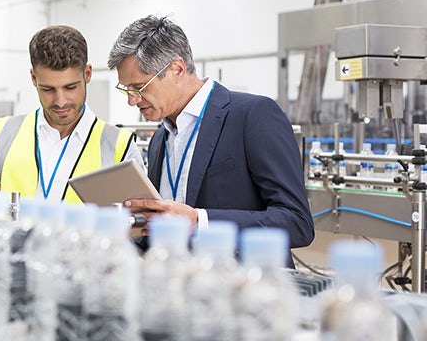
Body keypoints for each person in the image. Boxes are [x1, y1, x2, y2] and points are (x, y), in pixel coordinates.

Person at [107, 15, 314, 267]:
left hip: (247, 290)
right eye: (126, 90)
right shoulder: (160, 138)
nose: (132, 100)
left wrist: (199, 221)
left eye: (139, 87)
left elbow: (297, 222)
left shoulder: (252, 115)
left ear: (177, 69)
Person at [0, 25, 144, 203]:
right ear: (33, 78)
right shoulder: (0, 134)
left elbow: (134, 225)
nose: (60, 101)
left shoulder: (120, 147)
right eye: (48, 89)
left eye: (70, 87)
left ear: (87, 74)